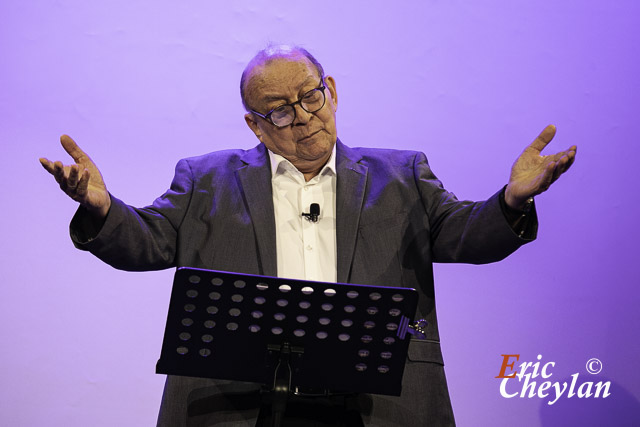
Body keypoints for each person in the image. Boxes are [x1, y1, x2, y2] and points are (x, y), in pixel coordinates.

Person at [40, 45, 576, 426]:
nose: (302, 118)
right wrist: (102, 207)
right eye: (278, 110)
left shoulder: (402, 175)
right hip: (242, 403)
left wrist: (511, 199)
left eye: (311, 97)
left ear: (333, 91)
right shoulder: (206, 178)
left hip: (377, 401)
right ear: (254, 124)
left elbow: (463, 235)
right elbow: (149, 241)